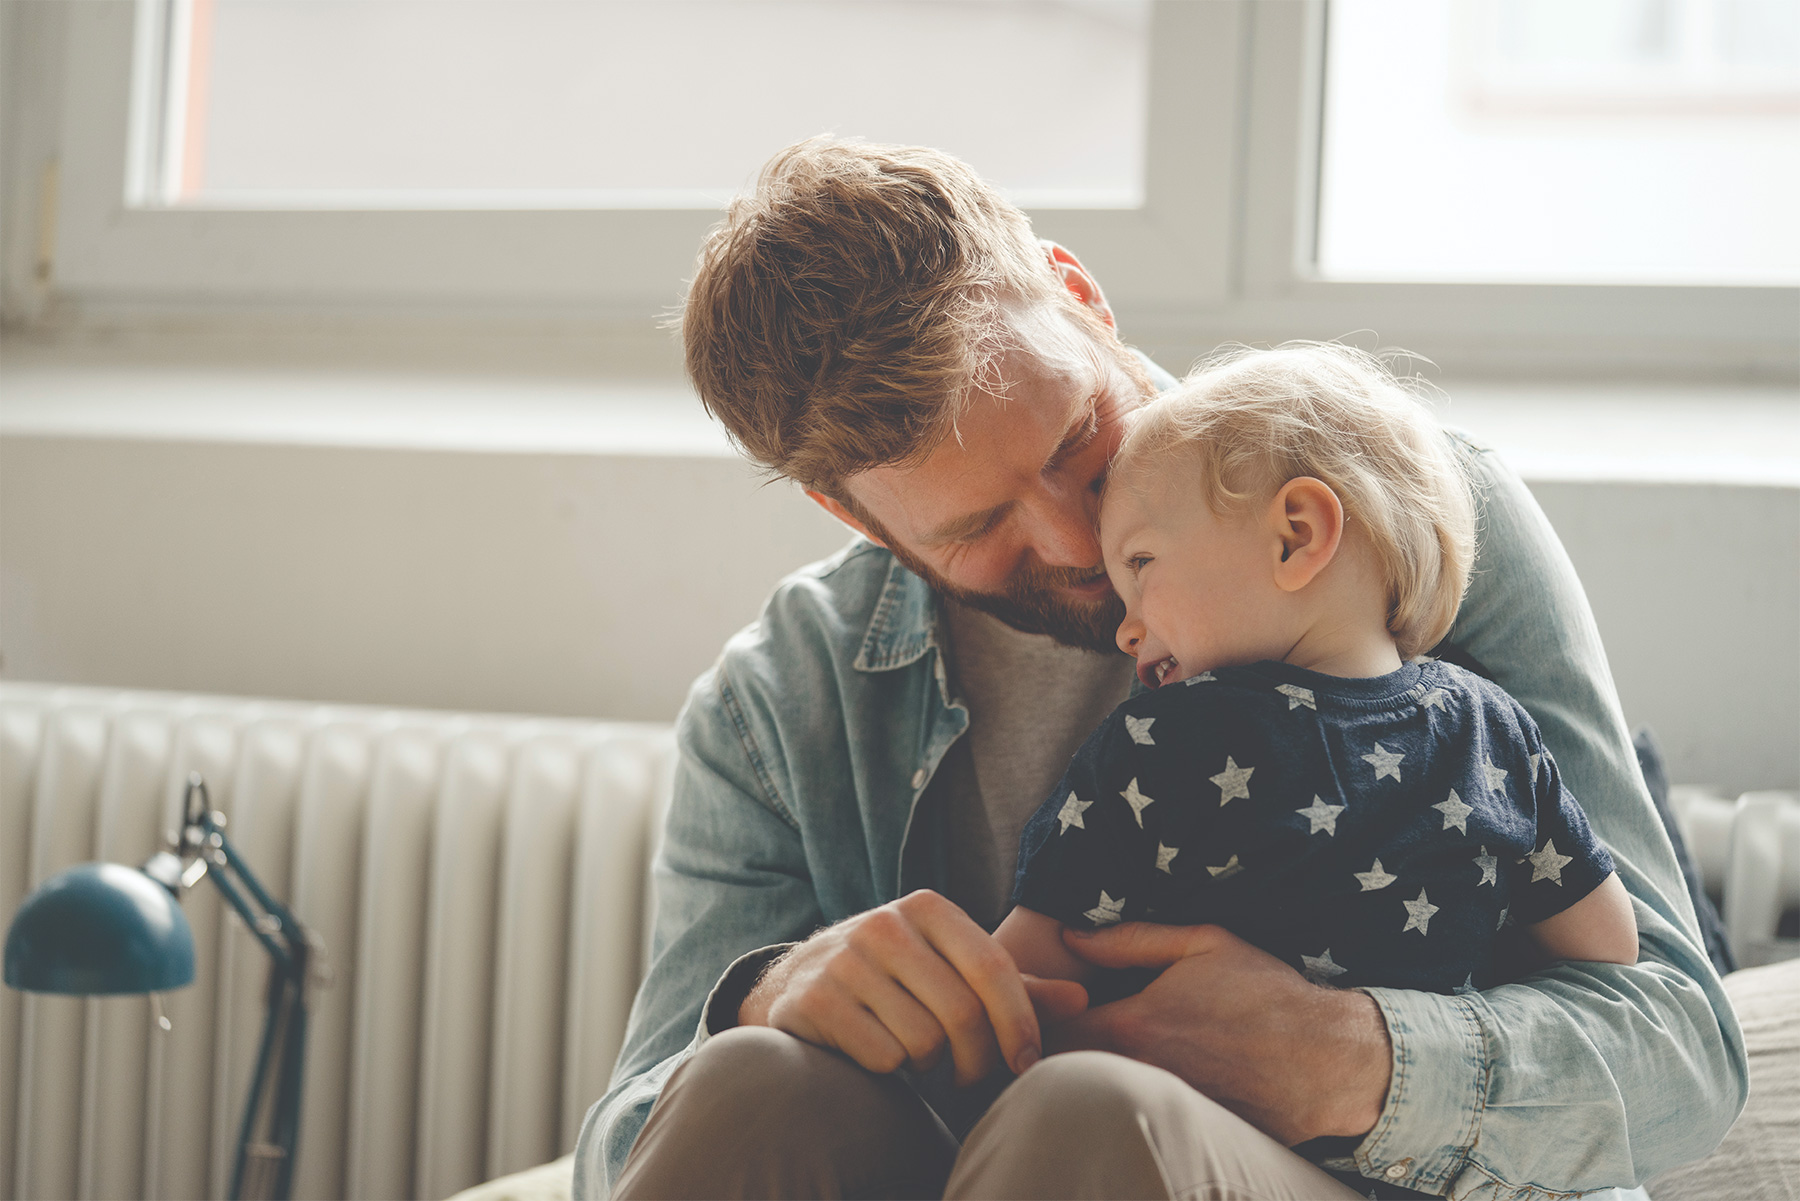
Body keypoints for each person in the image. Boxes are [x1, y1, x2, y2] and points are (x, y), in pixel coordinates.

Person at [572, 138, 1745, 1200]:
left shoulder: (1403, 513)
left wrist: (1347, 1057)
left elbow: (1679, 1046)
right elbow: (623, 1144)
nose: (1080, 545)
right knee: (753, 1084)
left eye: (1079, 439)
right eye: (981, 526)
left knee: (1091, 1117)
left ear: (1081, 297)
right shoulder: (781, 702)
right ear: (858, 517)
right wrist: (764, 999)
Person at [995, 344, 1639, 1197]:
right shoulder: (1495, 731)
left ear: (1298, 536)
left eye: (1141, 567)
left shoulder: (1163, 741)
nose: (1127, 625)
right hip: (1456, 1168)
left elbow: (1021, 978)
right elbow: (1607, 947)